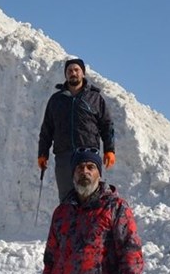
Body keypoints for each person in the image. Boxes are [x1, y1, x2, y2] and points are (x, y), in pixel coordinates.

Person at [37, 58, 116, 202]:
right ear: (66, 75)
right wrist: (43, 153)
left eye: (76, 70)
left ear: (83, 73)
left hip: (88, 156)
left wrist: (109, 149)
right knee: (67, 198)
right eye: (69, 71)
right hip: (64, 156)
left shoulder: (94, 98)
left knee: (90, 196)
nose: (73, 73)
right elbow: (47, 129)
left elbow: (107, 125)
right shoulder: (56, 100)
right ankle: (69, 224)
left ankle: (91, 224)